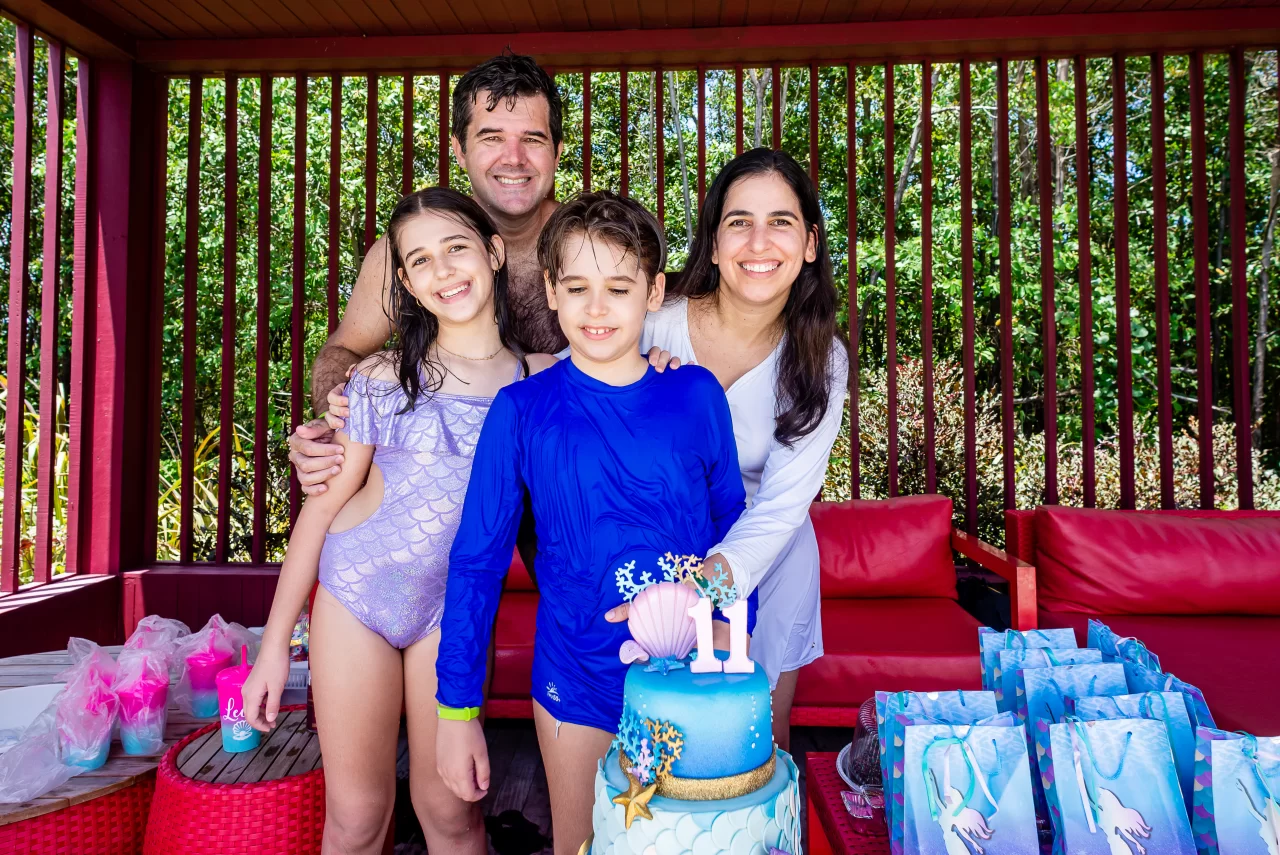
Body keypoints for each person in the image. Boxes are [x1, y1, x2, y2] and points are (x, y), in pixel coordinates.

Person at [241, 188, 556, 855]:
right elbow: (322, 507)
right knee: (358, 817)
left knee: (451, 812)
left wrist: (664, 365)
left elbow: (624, 366)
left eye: (456, 248)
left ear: (493, 253)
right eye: (420, 261)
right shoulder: (383, 375)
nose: (443, 270)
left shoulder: (542, 379)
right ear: (407, 284)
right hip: (356, 595)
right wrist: (273, 647)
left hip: (453, 612)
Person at [432, 192, 748, 855]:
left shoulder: (696, 394)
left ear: (654, 292)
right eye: (577, 287)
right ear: (551, 290)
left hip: (696, 676)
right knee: (586, 845)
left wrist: (728, 624)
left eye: (619, 289)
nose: (596, 308)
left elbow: (735, 529)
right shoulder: (520, 409)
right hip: (573, 683)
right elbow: (476, 564)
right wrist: (457, 710)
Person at [638, 148, 849, 753]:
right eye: (739, 222)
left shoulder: (821, 359)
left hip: (769, 552)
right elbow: (574, 387)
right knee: (650, 726)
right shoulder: (652, 321)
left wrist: (707, 589)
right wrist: (633, 380)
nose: (759, 242)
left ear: (810, 243)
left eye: (781, 221)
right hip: (655, 537)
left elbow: (783, 504)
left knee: (757, 735)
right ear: (712, 243)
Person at [289, 51, 566, 496]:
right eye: (492, 137)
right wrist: (331, 424)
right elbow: (342, 351)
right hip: (436, 500)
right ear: (459, 150)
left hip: (562, 494)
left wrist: (664, 362)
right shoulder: (408, 250)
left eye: (532, 138)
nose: (513, 158)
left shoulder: (590, 245)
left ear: (557, 151)